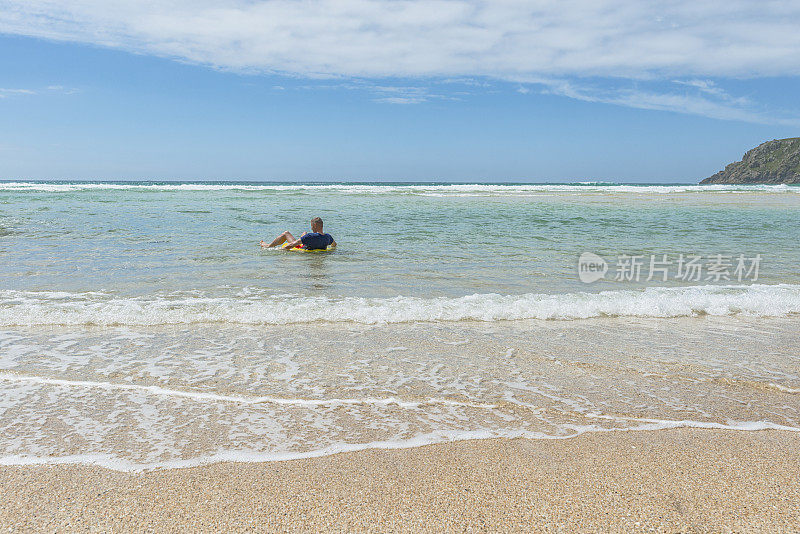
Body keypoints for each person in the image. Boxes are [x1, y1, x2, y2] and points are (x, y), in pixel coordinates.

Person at [260, 217, 336, 250]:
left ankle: (268, 246)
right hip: (312, 244)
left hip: (302, 247)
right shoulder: (328, 237)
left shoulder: (310, 236)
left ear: (315, 225)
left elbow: (292, 245)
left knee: (286, 233)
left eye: (312, 226)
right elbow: (334, 245)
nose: (311, 228)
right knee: (304, 233)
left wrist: (278, 250)